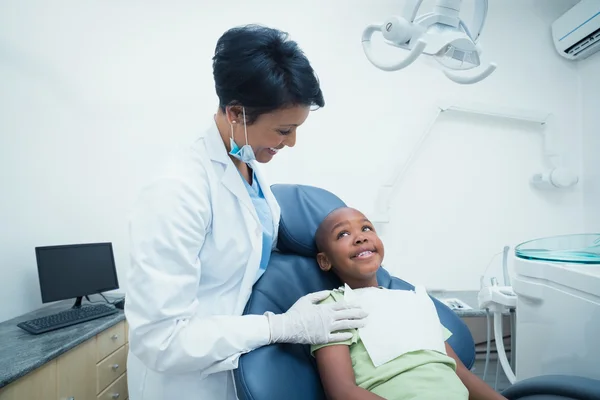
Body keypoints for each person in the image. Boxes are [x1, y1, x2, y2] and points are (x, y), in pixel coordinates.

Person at [125, 25, 368, 400]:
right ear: (236, 113)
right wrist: (279, 327)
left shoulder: (247, 165)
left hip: (241, 362)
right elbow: (161, 339)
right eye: (284, 129)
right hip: (187, 382)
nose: (292, 142)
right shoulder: (177, 189)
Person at [311, 207, 508, 400]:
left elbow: (462, 374)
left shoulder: (413, 301)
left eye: (366, 228)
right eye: (343, 234)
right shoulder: (333, 306)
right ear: (324, 261)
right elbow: (342, 391)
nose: (361, 237)